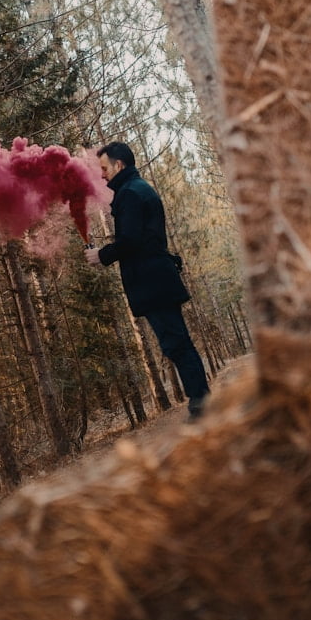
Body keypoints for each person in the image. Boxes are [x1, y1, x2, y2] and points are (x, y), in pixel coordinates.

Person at [84, 141, 210, 421]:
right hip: (156, 277)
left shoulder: (130, 193)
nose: (102, 175)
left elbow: (131, 239)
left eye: (105, 168)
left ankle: (201, 403)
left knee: (176, 342)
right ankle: (200, 399)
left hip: (153, 280)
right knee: (174, 341)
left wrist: (101, 255)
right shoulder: (135, 189)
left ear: (119, 165)